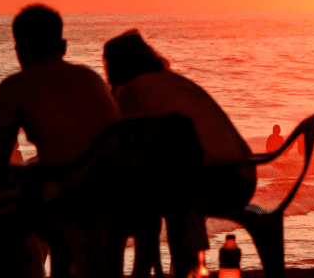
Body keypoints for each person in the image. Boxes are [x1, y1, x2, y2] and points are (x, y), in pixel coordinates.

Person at [104, 29, 256, 278]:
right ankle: (178, 266)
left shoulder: (133, 91)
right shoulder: (171, 82)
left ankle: (162, 268)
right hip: (243, 177)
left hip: (219, 182)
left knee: (148, 195)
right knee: (164, 187)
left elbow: (123, 148)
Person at [0, 4, 121, 276]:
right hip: (117, 190)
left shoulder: (15, 86)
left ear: (18, 50)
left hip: (70, 194)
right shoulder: (90, 77)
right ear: (63, 46)